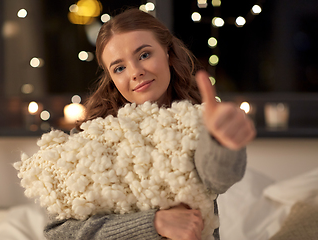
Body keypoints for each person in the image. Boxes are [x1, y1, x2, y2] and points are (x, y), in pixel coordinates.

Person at [44, 8, 255, 240]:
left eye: (144, 55)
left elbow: (217, 177)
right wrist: (153, 223)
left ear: (167, 51)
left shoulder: (199, 122)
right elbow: (59, 233)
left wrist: (219, 141)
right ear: (111, 78)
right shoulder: (89, 138)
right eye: (119, 68)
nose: (136, 72)